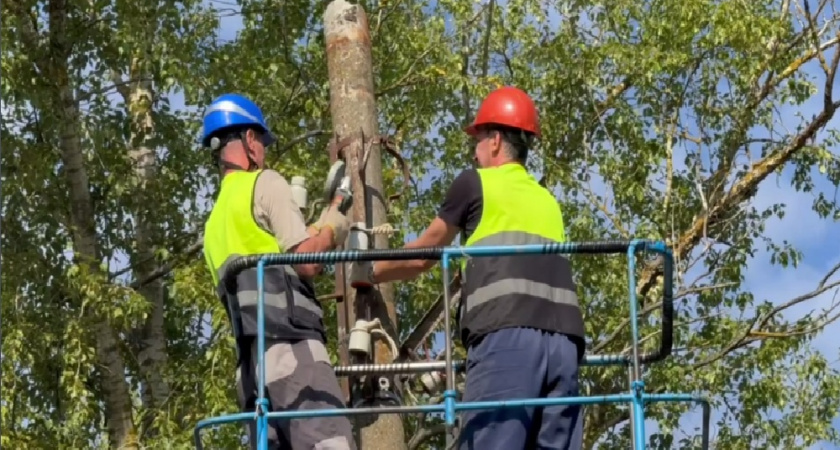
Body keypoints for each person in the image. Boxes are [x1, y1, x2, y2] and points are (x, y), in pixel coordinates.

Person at [349, 86, 586, 450]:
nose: (474, 152)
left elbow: (423, 255)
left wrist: (368, 270)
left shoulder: (475, 182)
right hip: (566, 348)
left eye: (476, 141)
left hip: (508, 339)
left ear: (494, 141)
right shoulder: (547, 200)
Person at [201, 93, 357, 450]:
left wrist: (315, 227)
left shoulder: (213, 226)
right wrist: (333, 225)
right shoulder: (265, 182)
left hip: (252, 373)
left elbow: (273, 256)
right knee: (329, 444)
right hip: (292, 352)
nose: (265, 153)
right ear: (249, 140)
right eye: (263, 142)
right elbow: (306, 262)